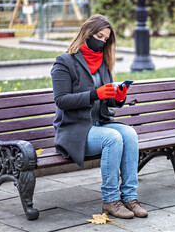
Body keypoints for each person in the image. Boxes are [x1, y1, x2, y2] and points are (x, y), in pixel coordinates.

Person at [51, 14, 148, 219]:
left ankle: (130, 196)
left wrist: (118, 97)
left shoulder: (103, 63)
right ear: (87, 33)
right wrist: (95, 94)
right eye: (99, 35)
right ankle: (110, 200)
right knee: (112, 138)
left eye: (106, 39)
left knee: (129, 133)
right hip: (75, 130)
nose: (102, 41)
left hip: (99, 123)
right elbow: (61, 100)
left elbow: (107, 99)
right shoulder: (64, 62)